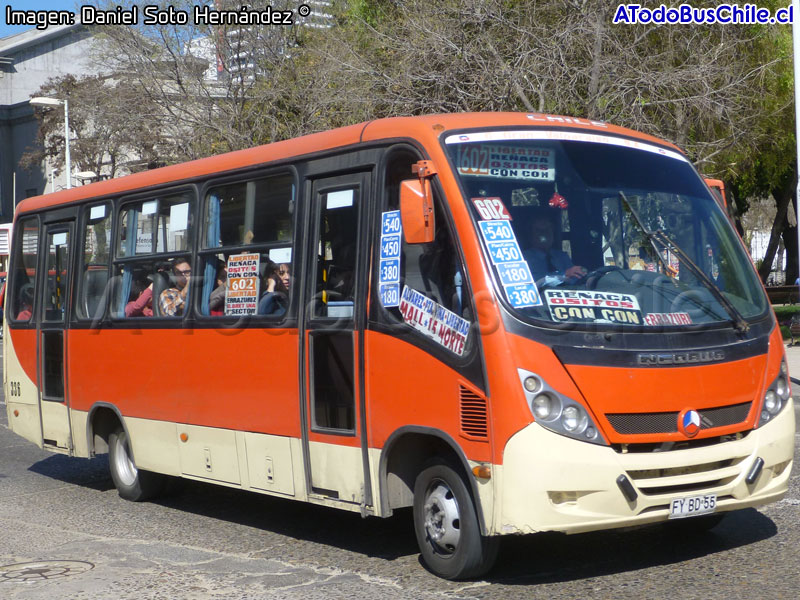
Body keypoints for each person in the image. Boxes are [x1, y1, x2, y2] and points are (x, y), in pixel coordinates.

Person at [523, 214, 586, 283]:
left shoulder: (562, 256)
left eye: (548, 230)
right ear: (530, 234)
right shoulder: (524, 258)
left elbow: (574, 279)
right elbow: (535, 281)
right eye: (539, 230)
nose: (544, 234)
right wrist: (564, 274)